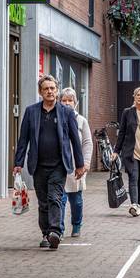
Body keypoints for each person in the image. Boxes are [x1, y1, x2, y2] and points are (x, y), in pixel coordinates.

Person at [13, 75, 85, 250]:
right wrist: (18, 162)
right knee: (43, 202)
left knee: (54, 198)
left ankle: (55, 232)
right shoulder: (31, 112)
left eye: (52, 88)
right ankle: (46, 233)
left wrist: (80, 164)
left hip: (59, 165)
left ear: (57, 90)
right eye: (46, 89)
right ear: (40, 92)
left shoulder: (66, 112)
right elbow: (23, 139)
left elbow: (75, 140)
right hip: (38, 165)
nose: (50, 91)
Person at [111, 87, 140, 217]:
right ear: (134, 96)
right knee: (133, 177)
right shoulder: (127, 112)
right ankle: (134, 204)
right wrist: (116, 151)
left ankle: (138, 204)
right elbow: (122, 133)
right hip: (130, 151)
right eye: (138, 95)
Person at [59, 88, 93, 238]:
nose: (67, 103)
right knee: (59, 200)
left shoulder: (81, 121)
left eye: (70, 100)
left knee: (76, 201)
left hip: (76, 167)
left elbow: (87, 143)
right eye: (64, 100)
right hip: (59, 166)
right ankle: (58, 228)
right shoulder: (56, 118)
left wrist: (85, 163)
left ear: (75, 103)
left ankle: (77, 225)